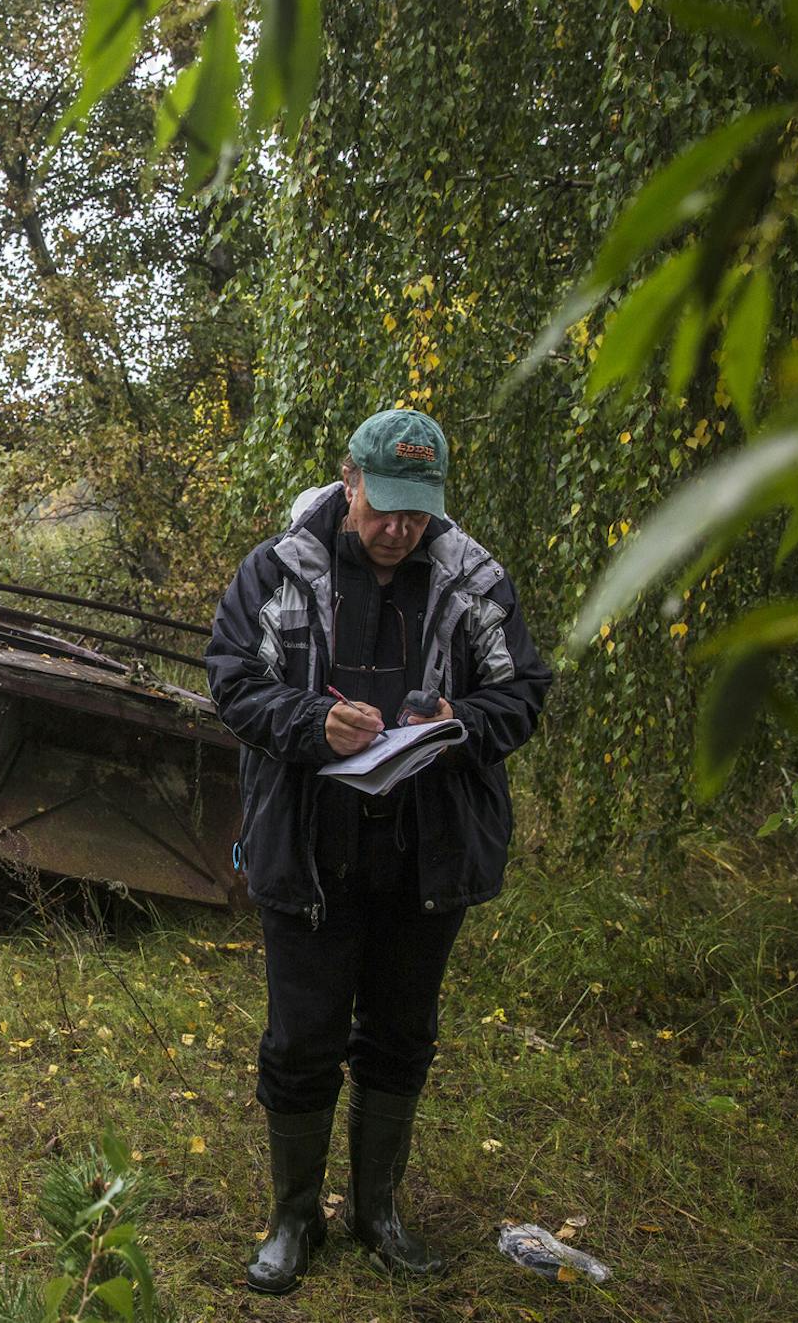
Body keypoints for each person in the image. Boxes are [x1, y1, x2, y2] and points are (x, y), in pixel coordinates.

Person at [206, 409, 551, 1293]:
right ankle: (293, 1218)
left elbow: (523, 692)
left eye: (418, 511)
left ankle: (376, 1211)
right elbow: (233, 680)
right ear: (349, 482)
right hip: (309, 850)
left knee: (401, 1034)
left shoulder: (474, 579)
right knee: (301, 1038)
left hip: (424, 853)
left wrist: (460, 722)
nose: (400, 528)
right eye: (385, 506)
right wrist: (311, 722)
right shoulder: (278, 569)